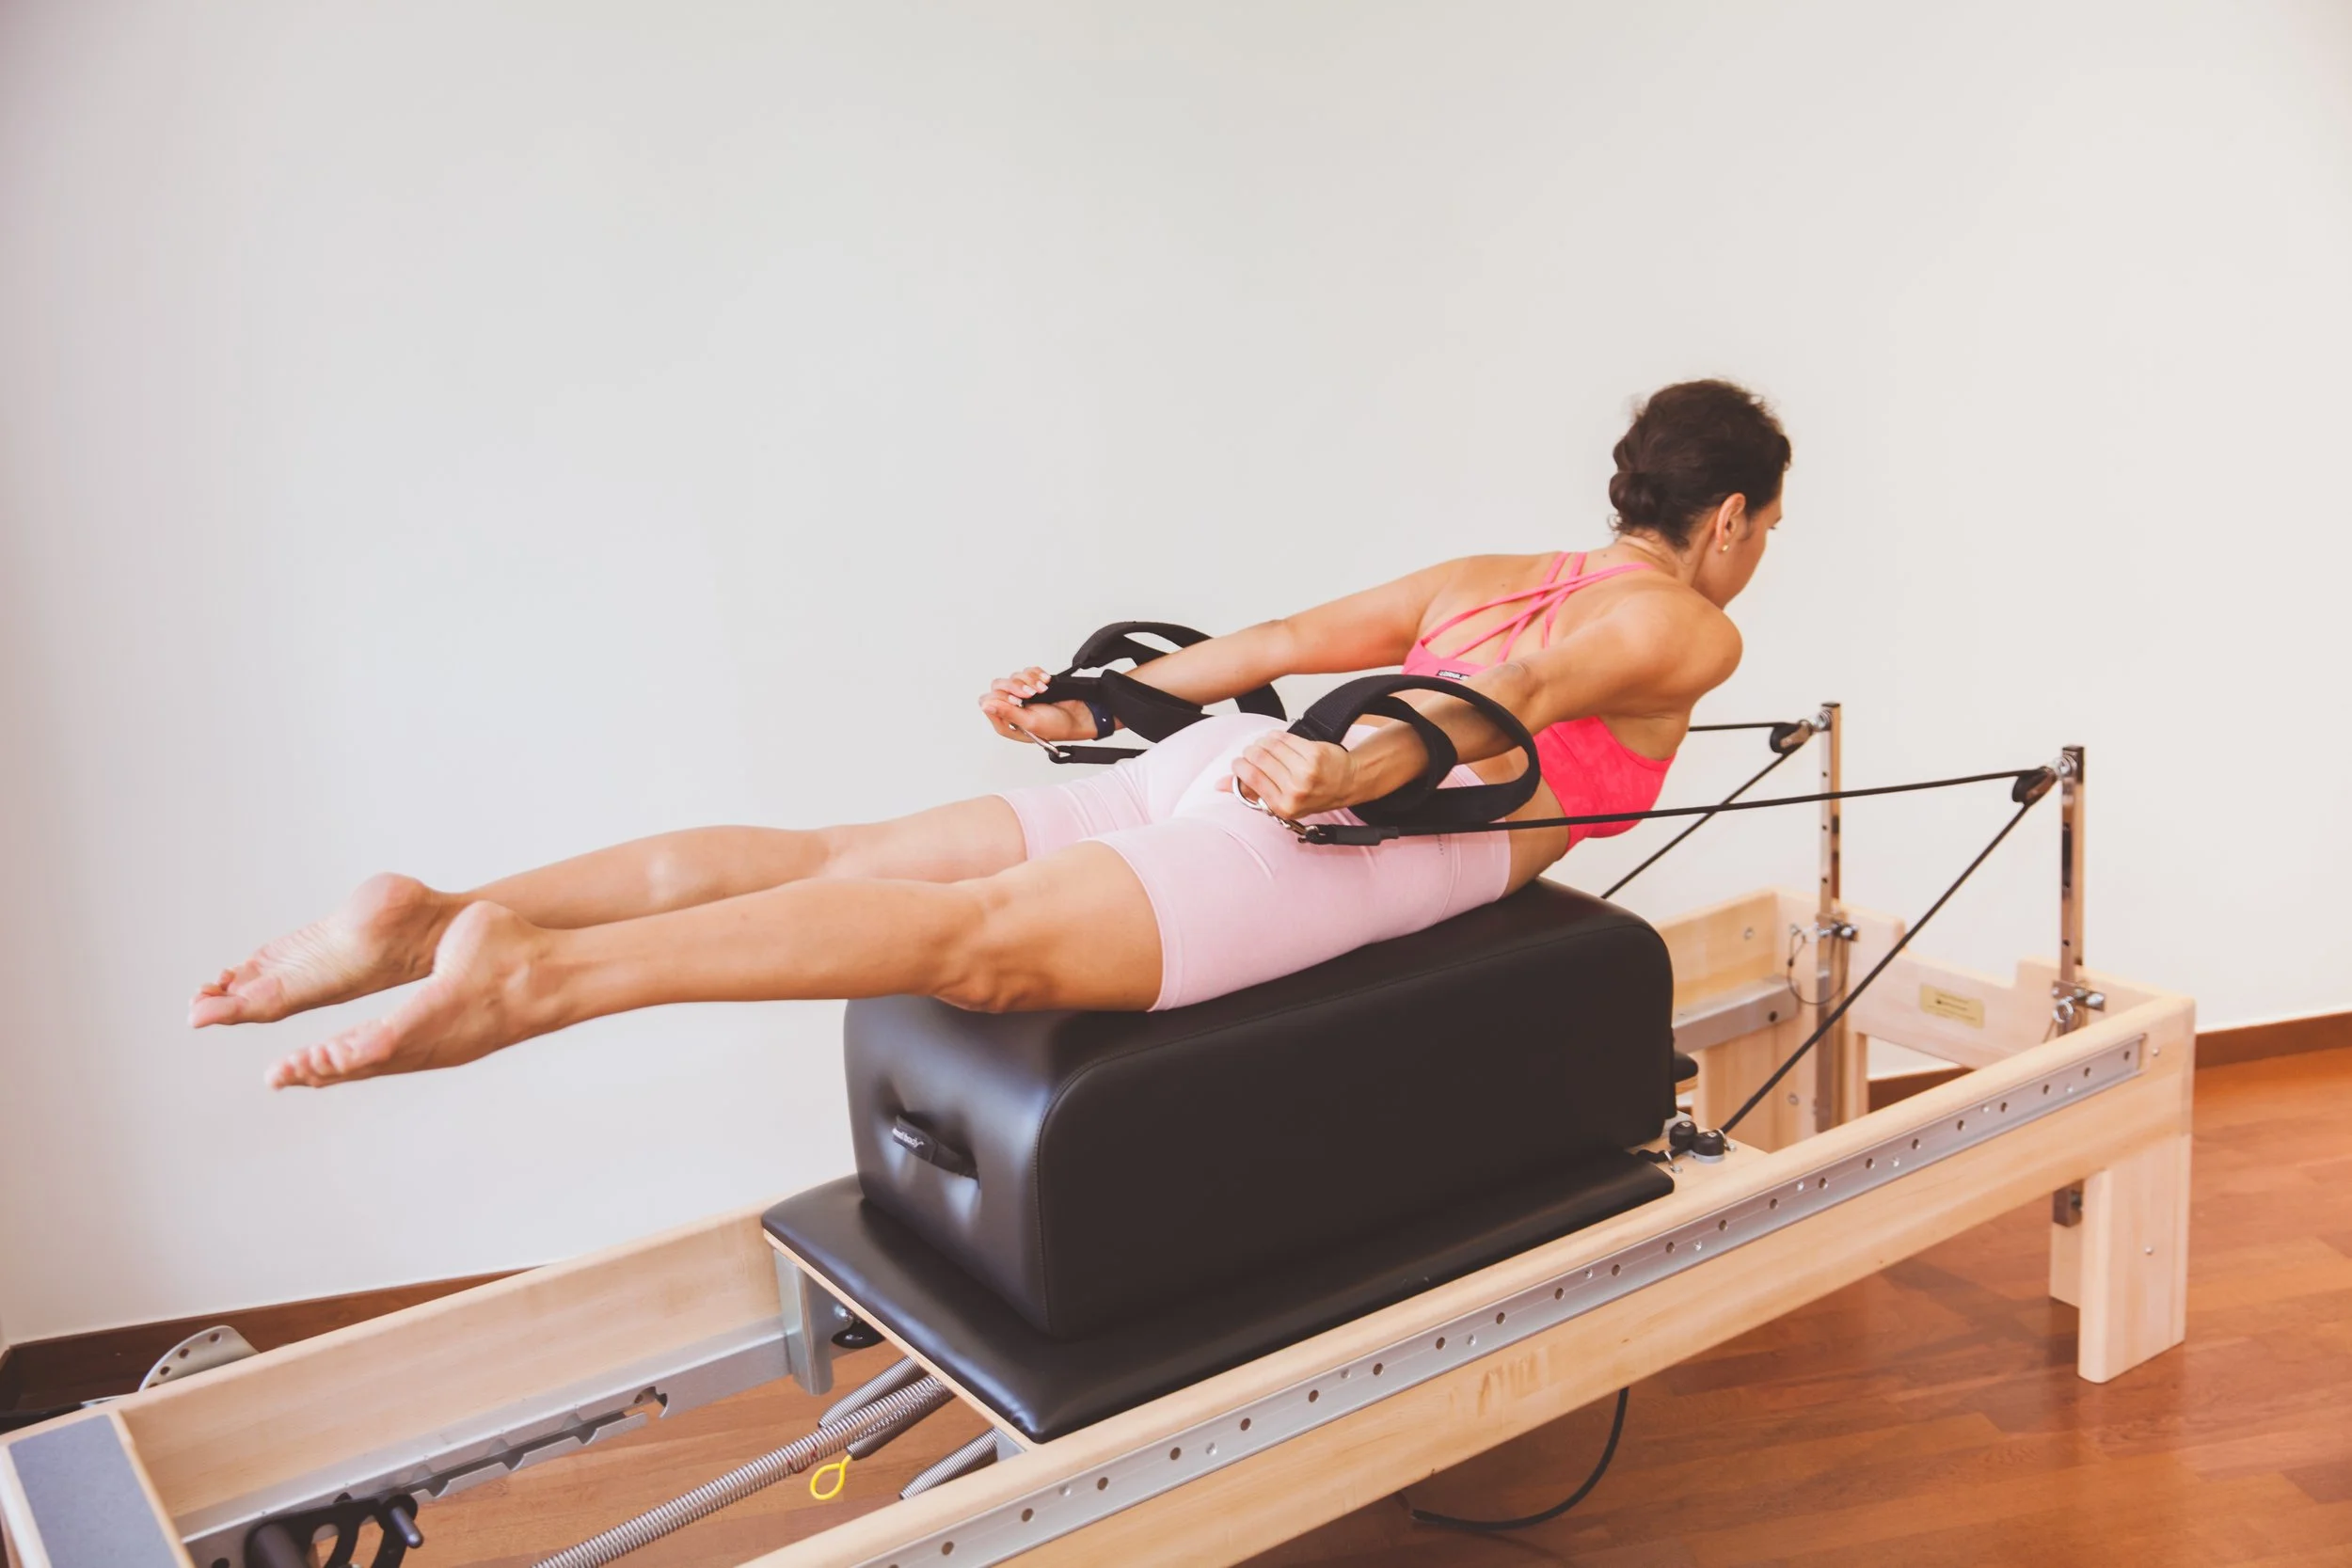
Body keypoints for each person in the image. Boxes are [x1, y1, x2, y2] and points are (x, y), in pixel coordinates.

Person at [192, 379, 1789, 1088]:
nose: (1759, 552)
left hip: (1211, 774)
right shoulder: (1686, 623)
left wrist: (1109, 705)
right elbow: (1494, 713)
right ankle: (533, 974)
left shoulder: (1501, 571)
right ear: (1726, 515)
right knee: (967, 943)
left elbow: (1297, 643)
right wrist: (1348, 769)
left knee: (846, 854)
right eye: (1765, 524)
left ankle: (435, 914)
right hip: (1341, 832)